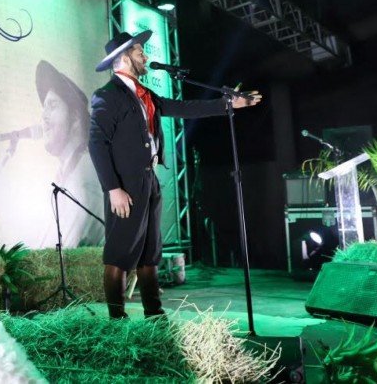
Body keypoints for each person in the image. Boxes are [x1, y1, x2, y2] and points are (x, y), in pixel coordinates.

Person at [88, 31, 261, 318]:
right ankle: (115, 323)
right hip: (125, 185)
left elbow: (182, 107)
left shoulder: (145, 94)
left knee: (150, 252)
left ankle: (154, 315)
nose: (145, 56)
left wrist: (228, 104)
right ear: (123, 57)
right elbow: (96, 142)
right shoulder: (107, 96)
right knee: (120, 254)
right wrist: (113, 188)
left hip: (148, 180)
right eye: (139, 51)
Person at [36, 60, 103, 247]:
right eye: (44, 107)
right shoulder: (68, 172)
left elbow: (71, 246)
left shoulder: (86, 174)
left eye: (52, 105)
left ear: (75, 118)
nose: (43, 115)